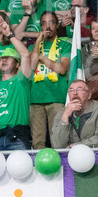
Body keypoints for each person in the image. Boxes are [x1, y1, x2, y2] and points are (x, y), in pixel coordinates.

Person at [0, 36, 36, 150]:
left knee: (20, 168)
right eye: (2, 59)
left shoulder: (21, 80)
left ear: (17, 65)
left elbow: (25, 54)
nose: (4, 60)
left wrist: (10, 35)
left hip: (17, 136)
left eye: (9, 58)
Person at [28, 13, 71, 150]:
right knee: (37, 142)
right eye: (44, 23)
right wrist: (37, 44)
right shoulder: (32, 47)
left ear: (57, 24)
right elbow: (30, 68)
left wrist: (41, 57)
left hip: (57, 97)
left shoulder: (65, 45)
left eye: (51, 22)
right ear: (40, 26)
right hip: (35, 98)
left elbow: (62, 68)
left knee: (57, 141)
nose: (48, 26)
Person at [49, 80, 98, 149]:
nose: (75, 93)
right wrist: (65, 118)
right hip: (70, 157)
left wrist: (75, 146)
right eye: (71, 90)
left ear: (89, 95)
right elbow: (58, 145)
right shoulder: (63, 113)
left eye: (79, 89)